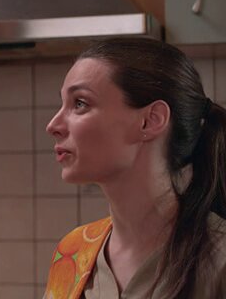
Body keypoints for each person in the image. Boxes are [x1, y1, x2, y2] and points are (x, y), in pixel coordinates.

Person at [42, 37, 226, 299]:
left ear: (150, 120)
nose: (53, 125)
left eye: (80, 103)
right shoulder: (72, 251)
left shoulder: (219, 259)